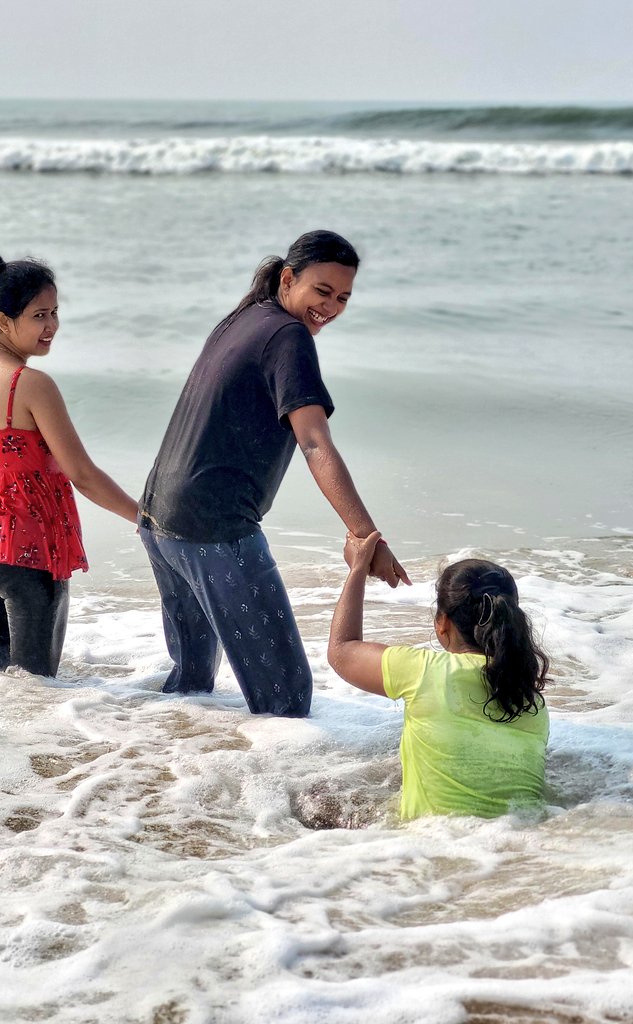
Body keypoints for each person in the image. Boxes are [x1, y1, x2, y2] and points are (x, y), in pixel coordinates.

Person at [139, 229, 410, 717]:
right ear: (289, 278)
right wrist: (366, 534)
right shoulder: (289, 337)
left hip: (160, 520)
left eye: (343, 297)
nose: (330, 306)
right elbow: (313, 441)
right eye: (322, 291)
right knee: (286, 700)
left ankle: (161, 776)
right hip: (213, 528)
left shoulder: (244, 318)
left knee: (191, 688)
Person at [0, 252, 138, 677]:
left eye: (54, 313)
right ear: (3, 321)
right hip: (26, 555)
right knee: (35, 686)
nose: (51, 327)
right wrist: (143, 516)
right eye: (39, 315)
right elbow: (81, 473)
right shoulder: (30, 384)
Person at [328, 531, 549, 819]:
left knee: (314, 798)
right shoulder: (532, 702)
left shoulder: (425, 672)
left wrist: (358, 568)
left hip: (426, 850)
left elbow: (341, 651)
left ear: (442, 623)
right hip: (510, 846)